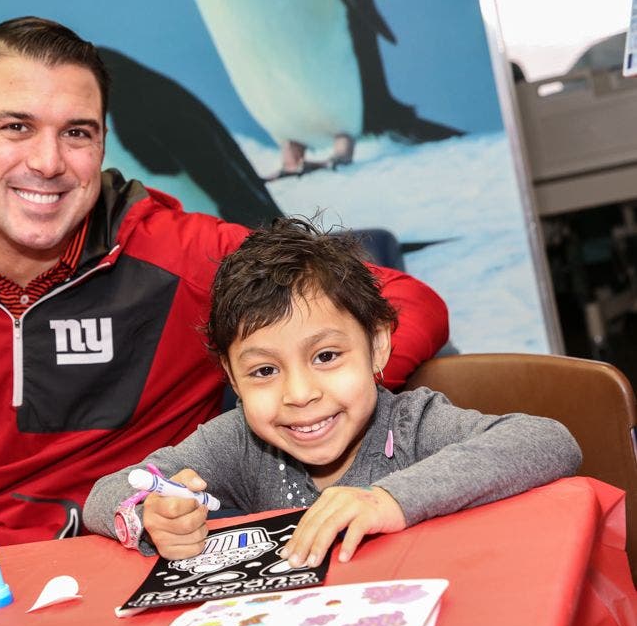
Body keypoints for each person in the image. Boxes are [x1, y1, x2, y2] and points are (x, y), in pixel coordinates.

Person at [0, 17, 449, 578]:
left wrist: (311, 402)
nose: (48, 163)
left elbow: (404, 302)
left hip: (132, 559)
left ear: (104, 143)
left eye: (76, 133)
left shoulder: (177, 253)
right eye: (15, 127)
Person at [83, 219, 581, 565]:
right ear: (232, 380)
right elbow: (105, 495)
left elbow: (546, 441)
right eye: (263, 371)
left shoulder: (412, 425)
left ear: (378, 346)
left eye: (325, 356)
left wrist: (388, 500)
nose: (299, 394)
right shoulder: (239, 443)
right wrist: (150, 516)